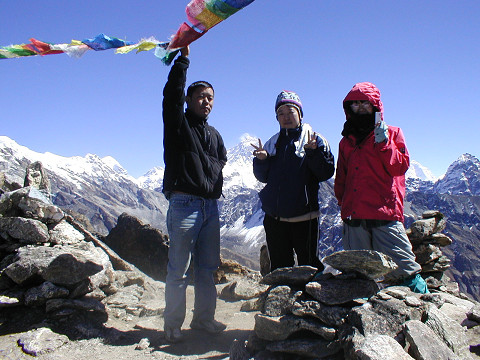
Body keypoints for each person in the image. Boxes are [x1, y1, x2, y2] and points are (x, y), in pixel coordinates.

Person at [334, 81, 428, 293]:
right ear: (349, 108)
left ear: (375, 106)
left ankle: (424, 310)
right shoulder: (346, 140)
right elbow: (342, 175)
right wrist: (343, 203)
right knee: (358, 272)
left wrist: (384, 144)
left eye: (365, 104)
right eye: (355, 104)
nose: (360, 108)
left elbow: (399, 167)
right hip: (354, 214)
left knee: (404, 269)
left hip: (384, 213)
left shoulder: (392, 133)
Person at [162, 45, 227, 343]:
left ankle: (204, 320)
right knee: (179, 269)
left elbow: (220, 161)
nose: (206, 102)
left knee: (207, 269)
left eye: (210, 98)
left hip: (210, 208)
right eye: (200, 96)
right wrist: (183, 61)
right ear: (188, 99)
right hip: (184, 205)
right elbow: (170, 98)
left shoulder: (215, 136)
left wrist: (210, 180)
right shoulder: (178, 124)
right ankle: (173, 324)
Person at [252, 90, 335, 273]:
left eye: (290, 112)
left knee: (310, 268)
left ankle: (311, 302)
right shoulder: (272, 143)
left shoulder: (315, 139)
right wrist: (261, 161)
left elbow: (326, 172)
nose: (286, 117)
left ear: (300, 114)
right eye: (281, 113)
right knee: (280, 270)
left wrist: (313, 152)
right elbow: (262, 177)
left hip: (305, 219)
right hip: (275, 220)